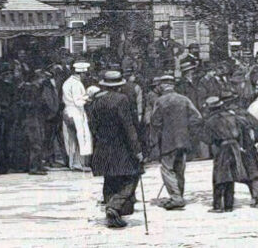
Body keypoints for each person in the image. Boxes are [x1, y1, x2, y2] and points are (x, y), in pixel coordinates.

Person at [86, 71, 143, 229]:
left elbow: (92, 125)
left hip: (103, 145)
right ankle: (115, 205)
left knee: (110, 179)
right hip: (121, 147)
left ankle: (112, 215)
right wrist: (137, 149)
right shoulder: (121, 100)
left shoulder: (96, 102)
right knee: (132, 177)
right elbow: (128, 126)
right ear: (119, 86)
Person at [149, 73, 201, 210]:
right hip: (183, 140)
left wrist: (155, 138)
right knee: (180, 169)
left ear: (162, 85)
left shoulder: (160, 101)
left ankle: (176, 197)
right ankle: (179, 195)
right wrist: (187, 129)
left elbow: (155, 122)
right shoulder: (184, 99)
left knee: (167, 169)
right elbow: (197, 117)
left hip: (168, 141)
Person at [199, 96, 248, 213]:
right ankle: (228, 205)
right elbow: (243, 128)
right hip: (234, 147)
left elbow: (207, 140)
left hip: (221, 148)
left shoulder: (211, 121)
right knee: (230, 176)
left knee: (219, 177)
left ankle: (217, 206)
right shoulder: (231, 116)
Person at [62, 61, 93, 171]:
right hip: (75, 113)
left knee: (71, 139)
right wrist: (88, 97)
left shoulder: (67, 82)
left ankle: (72, 163)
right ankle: (78, 164)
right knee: (80, 137)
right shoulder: (76, 84)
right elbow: (78, 101)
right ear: (82, 73)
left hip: (68, 112)